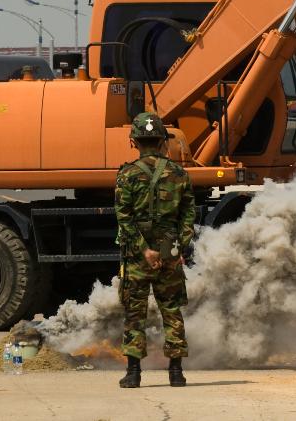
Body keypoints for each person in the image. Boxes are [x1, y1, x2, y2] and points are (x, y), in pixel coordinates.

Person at [114, 112, 195, 389]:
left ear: (134, 141)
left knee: (135, 313)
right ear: (162, 141)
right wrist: (177, 249)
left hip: (138, 256)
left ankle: (134, 373)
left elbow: (123, 219)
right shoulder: (179, 174)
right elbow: (188, 216)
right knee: (171, 310)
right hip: (169, 253)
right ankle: (176, 373)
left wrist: (145, 250)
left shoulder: (127, 175)